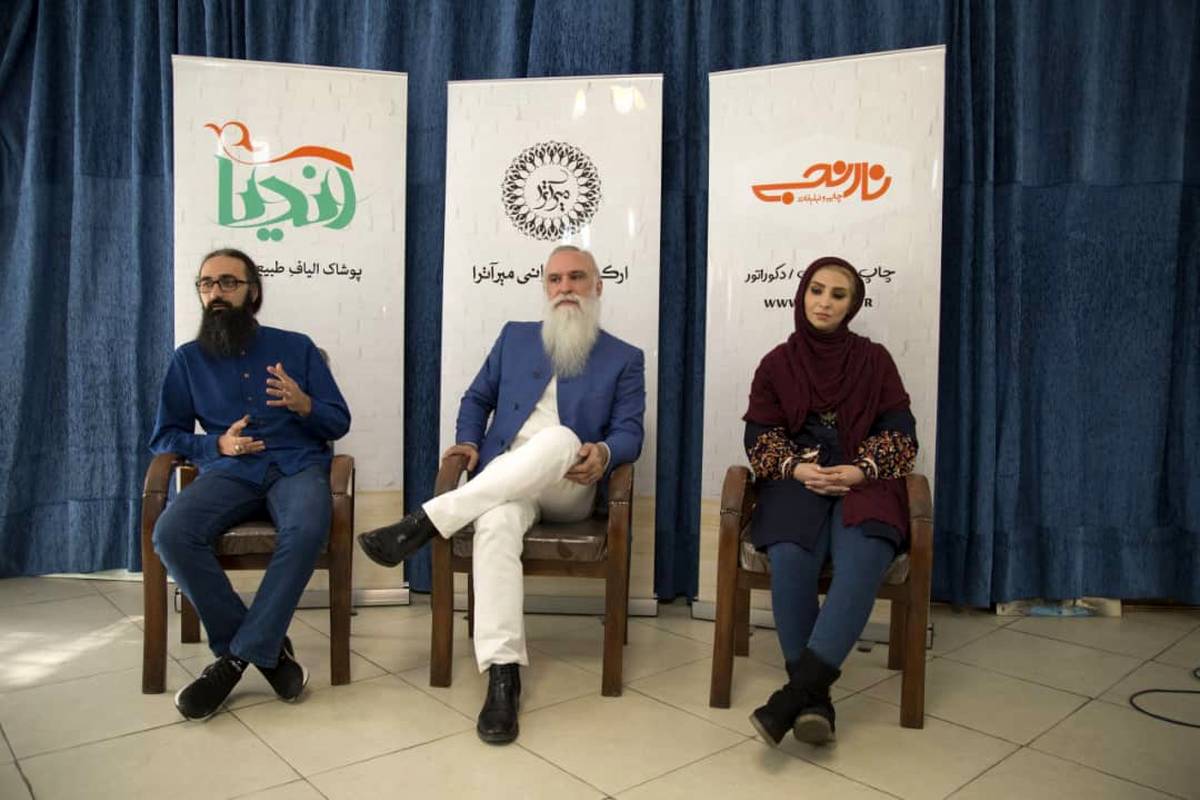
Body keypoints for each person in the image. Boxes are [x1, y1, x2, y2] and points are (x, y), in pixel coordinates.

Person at [358, 244, 645, 744]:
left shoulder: (624, 357)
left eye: (577, 278)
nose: (565, 288)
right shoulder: (515, 338)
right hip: (506, 482)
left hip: (570, 484)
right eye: (555, 279)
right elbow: (477, 398)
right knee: (494, 523)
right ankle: (502, 675)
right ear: (545, 288)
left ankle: (424, 521)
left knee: (557, 438)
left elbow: (630, 432)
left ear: (597, 287)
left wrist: (603, 451)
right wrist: (469, 441)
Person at [150, 247, 351, 720]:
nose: (215, 293)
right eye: (207, 284)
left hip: (297, 466)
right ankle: (265, 651)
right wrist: (215, 444)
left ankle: (234, 660)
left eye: (228, 282)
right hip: (230, 471)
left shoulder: (297, 347)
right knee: (171, 533)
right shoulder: (187, 360)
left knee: (307, 529)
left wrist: (304, 404)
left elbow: (338, 421)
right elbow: (165, 436)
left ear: (252, 293)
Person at [743, 255, 917, 746]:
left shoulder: (875, 360)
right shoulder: (777, 363)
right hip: (798, 479)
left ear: (852, 305)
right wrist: (797, 468)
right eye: (816, 290)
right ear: (802, 294)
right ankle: (814, 701)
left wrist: (861, 470)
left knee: (863, 557)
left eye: (838, 295)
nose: (824, 302)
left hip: (865, 480)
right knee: (791, 555)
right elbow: (760, 434)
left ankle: (792, 698)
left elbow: (902, 433)